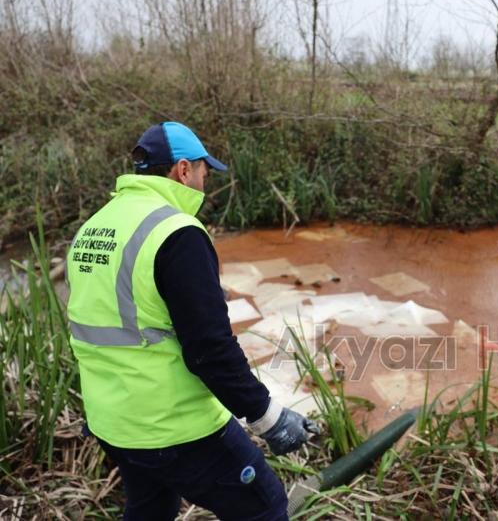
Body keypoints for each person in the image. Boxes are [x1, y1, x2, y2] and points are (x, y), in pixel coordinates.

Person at [66, 121, 317, 520]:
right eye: (203, 172)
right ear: (183, 170)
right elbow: (209, 350)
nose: (204, 184)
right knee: (265, 506)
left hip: (113, 422)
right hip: (175, 427)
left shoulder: (93, 228)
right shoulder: (176, 232)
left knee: (151, 508)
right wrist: (268, 418)